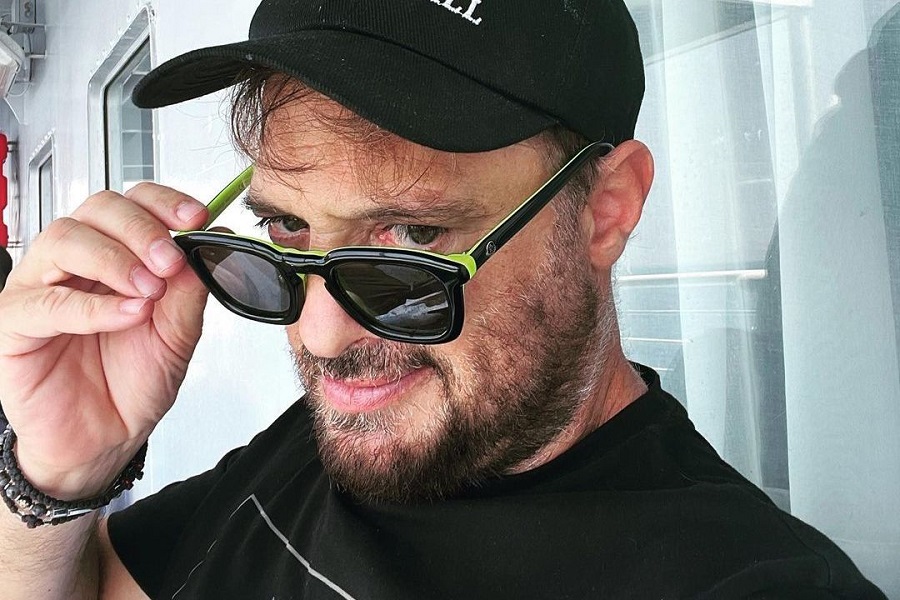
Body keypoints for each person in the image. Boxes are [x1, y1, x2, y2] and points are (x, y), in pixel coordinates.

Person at [0, 0, 887, 598]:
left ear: (607, 209)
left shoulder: (740, 578)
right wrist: (58, 477)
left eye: (414, 238)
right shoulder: (317, 444)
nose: (322, 333)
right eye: (287, 230)